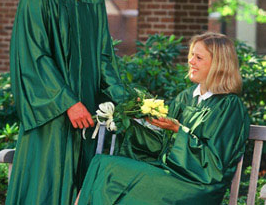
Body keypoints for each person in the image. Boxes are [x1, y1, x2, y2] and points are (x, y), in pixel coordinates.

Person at [6, 0, 126, 204]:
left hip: (86, 119)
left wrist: (128, 102)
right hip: (51, 117)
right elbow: (33, 56)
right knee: (44, 188)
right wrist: (67, 102)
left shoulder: (93, 0)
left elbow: (104, 59)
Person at [77, 32, 250, 205]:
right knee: (102, 164)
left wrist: (177, 130)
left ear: (217, 64)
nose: (190, 61)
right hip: (171, 173)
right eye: (191, 56)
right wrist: (135, 121)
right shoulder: (186, 97)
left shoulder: (229, 106)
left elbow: (214, 165)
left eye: (198, 57)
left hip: (197, 186)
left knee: (110, 170)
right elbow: (162, 146)